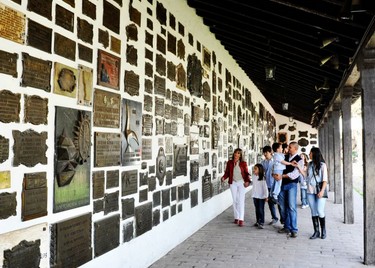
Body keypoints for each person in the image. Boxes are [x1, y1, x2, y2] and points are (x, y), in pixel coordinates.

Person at [273, 142, 303, 238]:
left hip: (291, 185)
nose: (288, 148)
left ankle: (294, 229)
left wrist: (281, 176)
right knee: (282, 206)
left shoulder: (299, 160)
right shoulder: (284, 157)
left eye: (290, 147)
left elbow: (294, 174)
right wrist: (275, 175)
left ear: (295, 149)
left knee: (291, 207)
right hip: (281, 184)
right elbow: (275, 166)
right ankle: (286, 226)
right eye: (288, 147)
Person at [302, 147, 328, 239]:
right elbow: (306, 176)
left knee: (320, 210)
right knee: (313, 211)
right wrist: (299, 168)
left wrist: (322, 191)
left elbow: (325, 180)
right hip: (310, 190)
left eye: (310, 153)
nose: (309, 154)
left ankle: (323, 230)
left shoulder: (322, 165)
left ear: (314, 154)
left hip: (320, 190)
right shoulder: (310, 164)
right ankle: (316, 231)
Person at [221, 148, 251, 227]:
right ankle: (236, 217)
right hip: (233, 183)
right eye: (235, 153)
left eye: (238, 153)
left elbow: (246, 173)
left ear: (240, 155)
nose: (236, 154)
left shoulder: (243, 163)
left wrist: (247, 181)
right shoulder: (230, 163)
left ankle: (241, 218)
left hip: (241, 182)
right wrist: (224, 177)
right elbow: (227, 172)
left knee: (241, 200)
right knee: (235, 200)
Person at [261, 146, 279, 225]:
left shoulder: (275, 161)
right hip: (266, 185)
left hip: (273, 185)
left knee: (274, 203)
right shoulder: (263, 162)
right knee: (266, 203)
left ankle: (278, 218)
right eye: (264, 153)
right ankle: (271, 218)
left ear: (270, 152)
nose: (265, 154)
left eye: (266, 152)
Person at [252, 163, 269, 229]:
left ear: (260, 170)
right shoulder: (253, 176)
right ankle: (257, 221)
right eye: (254, 169)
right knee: (257, 209)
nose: (254, 170)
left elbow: (265, 188)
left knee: (261, 209)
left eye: (255, 169)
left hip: (261, 196)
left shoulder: (263, 178)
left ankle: (261, 222)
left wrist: (266, 196)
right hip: (255, 195)